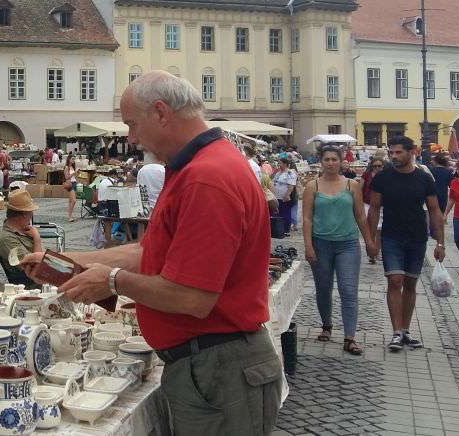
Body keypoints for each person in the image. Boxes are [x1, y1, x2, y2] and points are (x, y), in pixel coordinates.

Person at [20, 71, 282, 434]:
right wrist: (73, 264)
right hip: (210, 363)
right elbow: (152, 254)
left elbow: (193, 298)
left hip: (219, 366)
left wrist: (112, 281)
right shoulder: (194, 167)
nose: (131, 137)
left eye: (132, 124)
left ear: (161, 112)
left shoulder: (206, 176)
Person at [368, 136, 445, 352]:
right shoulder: (382, 178)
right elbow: (374, 208)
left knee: (410, 284)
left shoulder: (423, 178)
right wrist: (370, 239)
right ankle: (395, 332)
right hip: (391, 236)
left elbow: (434, 210)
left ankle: (405, 330)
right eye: (391, 152)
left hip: (417, 237)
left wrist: (440, 242)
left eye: (398, 152)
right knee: (395, 280)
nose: (394, 156)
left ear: (412, 152)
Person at [302, 145, 376, 355]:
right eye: (327, 159)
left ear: (342, 161)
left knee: (349, 290)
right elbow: (306, 218)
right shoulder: (312, 186)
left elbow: (361, 216)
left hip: (348, 245)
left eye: (335, 159)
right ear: (321, 161)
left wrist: (369, 242)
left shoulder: (352, 186)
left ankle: (349, 337)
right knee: (323, 289)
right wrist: (308, 246)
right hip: (320, 244)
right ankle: (326, 325)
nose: (331, 163)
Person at [0, 189, 43, 288]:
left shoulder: (24, 231)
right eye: (30, 213)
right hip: (33, 288)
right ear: (24, 214)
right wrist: (37, 239)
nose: (31, 217)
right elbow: (35, 269)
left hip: (45, 281)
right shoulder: (6, 239)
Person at [360, 157, 385, 263]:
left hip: (383, 205)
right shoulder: (366, 175)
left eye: (380, 166)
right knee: (370, 228)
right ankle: (370, 250)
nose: (377, 168)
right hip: (368, 203)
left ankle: (377, 251)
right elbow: (360, 187)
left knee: (380, 230)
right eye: (375, 166)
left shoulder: (386, 176)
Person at [273, 158, 297, 235]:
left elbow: (291, 186)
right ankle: (278, 229)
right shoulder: (278, 173)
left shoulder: (290, 173)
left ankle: (286, 230)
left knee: (285, 213)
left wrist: (287, 195)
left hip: (284, 197)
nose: (278, 165)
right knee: (278, 213)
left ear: (285, 164)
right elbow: (271, 179)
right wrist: (274, 172)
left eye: (280, 163)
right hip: (277, 197)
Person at [63, 154, 77, 222]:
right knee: (73, 200)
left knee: (71, 200)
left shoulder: (72, 167)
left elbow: (73, 176)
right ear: (68, 159)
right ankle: (70, 216)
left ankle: (70, 215)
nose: (73, 160)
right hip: (70, 184)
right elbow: (67, 177)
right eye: (72, 159)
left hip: (74, 182)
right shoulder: (66, 167)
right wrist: (74, 173)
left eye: (74, 159)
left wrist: (76, 173)